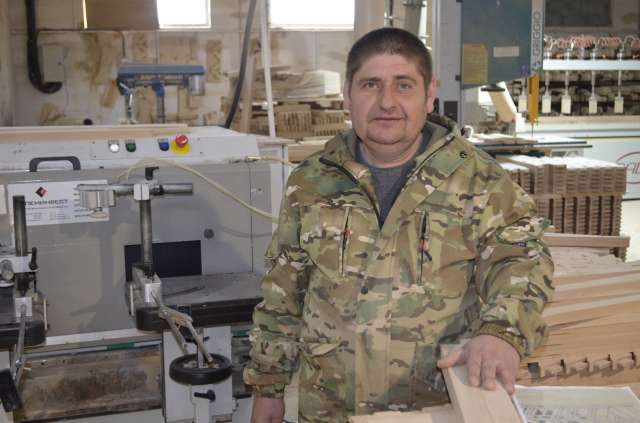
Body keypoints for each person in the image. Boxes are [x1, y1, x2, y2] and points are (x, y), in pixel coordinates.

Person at [244, 27, 554, 423]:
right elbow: (283, 293)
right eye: (370, 85)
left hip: (432, 410)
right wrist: (268, 387)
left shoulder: (479, 181)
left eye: (403, 85)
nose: (386, 102)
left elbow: (522, 260)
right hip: (330, 410)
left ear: (429, 94)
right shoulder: (311, 182)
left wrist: (501, 332)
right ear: (347, 95)